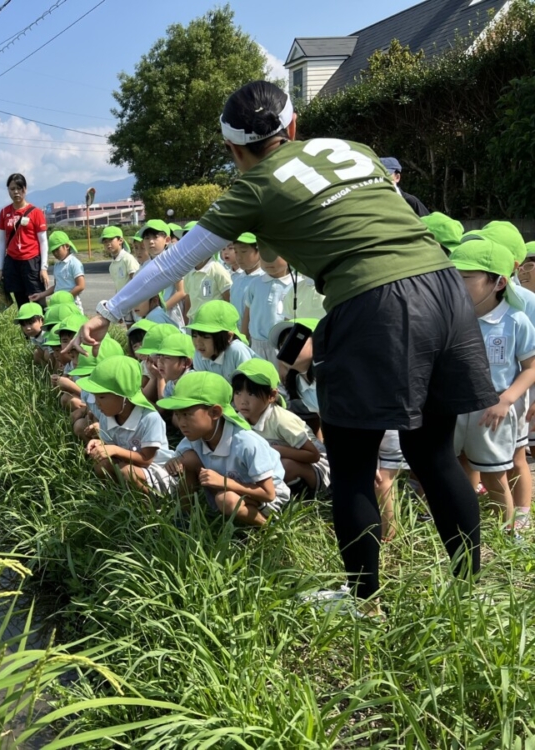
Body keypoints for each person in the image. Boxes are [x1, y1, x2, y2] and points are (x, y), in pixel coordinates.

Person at [74, 80, 497, 613]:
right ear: (292, 127)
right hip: (443, 288)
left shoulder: (253, 188)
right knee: (433, 453)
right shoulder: (354, 149)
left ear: (233, 150)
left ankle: (364, 601)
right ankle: (470, 593)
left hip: (372, 302)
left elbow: (175, 260)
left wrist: (105, 313)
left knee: (350, 461)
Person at [450, 239, 535, 533]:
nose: (457, 284)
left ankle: (510, 534)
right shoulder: (451, 317)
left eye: (466, 278)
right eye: (453, 277)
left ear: (498, 282)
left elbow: (531, 367)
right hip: (454, 406)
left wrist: (506, 399)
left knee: (494, 476)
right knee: (455, 468)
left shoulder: (515, 321)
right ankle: (461, 528)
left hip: (492, 411)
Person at [161, 371, 290, 526]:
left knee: (226, 500)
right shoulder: (195, 436)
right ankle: (186, 519)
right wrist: (174, 462)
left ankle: (268, 527)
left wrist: (225, 483)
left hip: (268, 498)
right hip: (228, 487)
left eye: (187, 414)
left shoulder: (246, 443)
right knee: (186, 460)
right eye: (177, 415)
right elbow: (183, 457)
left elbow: (268, 493)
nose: (181, 423)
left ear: (215, 412)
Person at [231, 358, 330, 498]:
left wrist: (277, 450)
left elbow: (314, 455)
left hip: (318, 468)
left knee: (286, 465)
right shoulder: (239, 419)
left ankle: (303, 496)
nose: (243, 400)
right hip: (275, 465)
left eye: (251, 393)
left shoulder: (282, 420)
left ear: (272, 396)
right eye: (238, 392)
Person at [80, 356, 177, 495]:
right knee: (101, 466)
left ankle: (150, 507)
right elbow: (112, 449)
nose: (96, 403)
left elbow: (146, 459)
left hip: (160, 471)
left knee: (127, 472)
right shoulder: (107, 417)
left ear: (124, 396)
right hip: (131, 465)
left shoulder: (150, 418)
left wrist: (114, 449)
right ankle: (119, 498)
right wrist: (100, 444)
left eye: (101, 397)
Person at [0, 173, 49, 310]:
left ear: (25, 189)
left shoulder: (36, 212)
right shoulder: (4, 213)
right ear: (8, 190)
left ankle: (45, 330)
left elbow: (43, 242)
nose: (16, 192)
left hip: (32, 262)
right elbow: (1, 241)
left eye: (19, 188)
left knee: (39, 302)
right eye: (12, 188)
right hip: (13, 262)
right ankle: (27, 330)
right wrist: (0, 268)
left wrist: (43, 268)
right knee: (22, 305)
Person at [242, 253, 293, 362]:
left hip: (281, 344)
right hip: (256, 345)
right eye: (265, 256)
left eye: (275, 255)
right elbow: (247, 314)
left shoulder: (295, 285)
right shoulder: (255, 283)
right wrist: (243, 340)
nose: (269, 261)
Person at [187, 300, 255, 380]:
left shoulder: (237, 351)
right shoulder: (199, 355)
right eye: (195, 336)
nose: (198, 342)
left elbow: (248, 387)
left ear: (228, 336)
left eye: (206, 337)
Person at [141, 220, 187, 328]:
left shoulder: (172, 262)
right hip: (150, 316)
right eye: (147, 238)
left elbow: (181, 292)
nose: (151, 242)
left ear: (167, 240)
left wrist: (162, 309)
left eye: (155, 237)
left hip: (170, 315)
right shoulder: (144, 266)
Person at [31, 231, 86, 312]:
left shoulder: (74, 263)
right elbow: (57, 286)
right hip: (59, 305)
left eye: (57, 249)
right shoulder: (57, 266)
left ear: (67, 246)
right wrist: (41, 295)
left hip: (72, 305)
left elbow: (81, 286)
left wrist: (65, 298)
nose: (55, 253)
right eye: (53, 251)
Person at [227, 233, 265, 318]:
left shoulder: (264, 280)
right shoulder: (237, 280)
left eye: (243, 251)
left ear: (259, 251)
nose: (239, 257)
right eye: (236, 252)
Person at [103, 226, 140, 293]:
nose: (108, 244)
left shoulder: (127, 258)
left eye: (111, 240)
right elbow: (118, 287)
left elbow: (136, 281)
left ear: (120, 240)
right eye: (105, 242)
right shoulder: (112, 266)